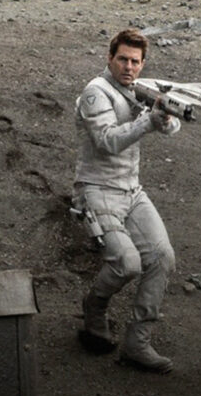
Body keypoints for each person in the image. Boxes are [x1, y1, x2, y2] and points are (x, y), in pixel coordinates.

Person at [73, 27, 180, 372]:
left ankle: (138, 343)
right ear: (110, 58)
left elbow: (171, 128)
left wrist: (166, 117)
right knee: (127, 263)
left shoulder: (137, 91)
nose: (128, 67)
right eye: (122, 59)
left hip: (131, 191)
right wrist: (149, 121)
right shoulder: (96, 92)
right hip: (97, 189)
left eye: (135, 61)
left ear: (142, 64)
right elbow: (106, 141)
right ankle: (94, 306)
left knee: (162, 257)